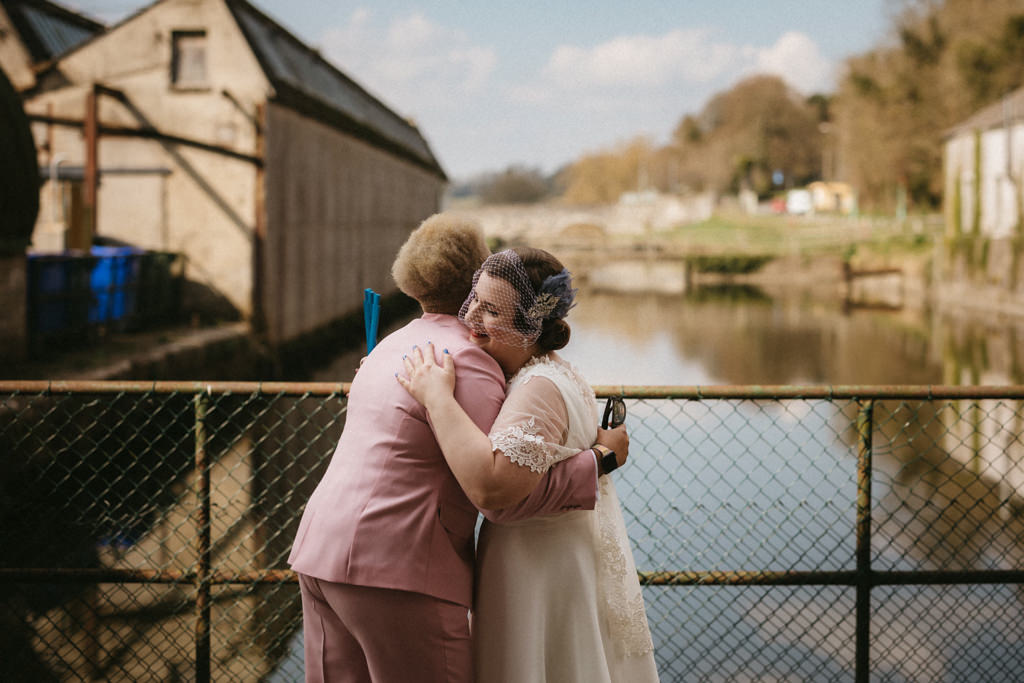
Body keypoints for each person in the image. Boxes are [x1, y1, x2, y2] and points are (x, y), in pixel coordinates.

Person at [287, 214, 630, 683]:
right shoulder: (469, 360)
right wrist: (599, 462)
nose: (475, 316)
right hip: (398, 567)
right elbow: (499, 490)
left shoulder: (391, 345)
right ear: (472, 281)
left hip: (318, 553)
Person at [397, 247, 659, 683]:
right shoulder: (553, 372)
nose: (473, 316)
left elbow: (495, 492)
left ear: (530, 324)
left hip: (532, 568)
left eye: (492, 310)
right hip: (557, 556)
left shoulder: (536, 389)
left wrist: (436, 397)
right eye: (474, 300)